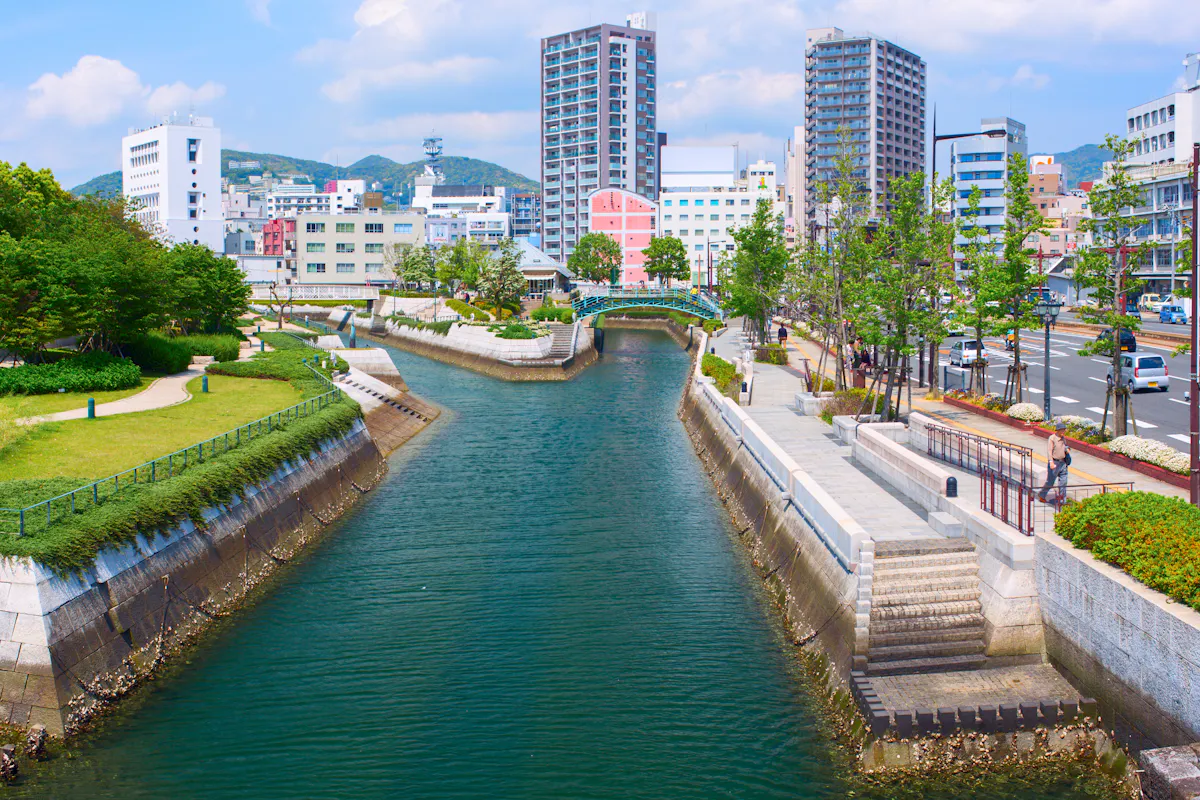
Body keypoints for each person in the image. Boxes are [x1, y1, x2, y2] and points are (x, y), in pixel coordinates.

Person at [1038, 420, 1070, 505]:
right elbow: (1049, 451)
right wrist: (1051, 462)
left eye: (1064, 430)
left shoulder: (1063, 438)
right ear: (1058, 430)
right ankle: (1042, 494)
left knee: (1063, 481)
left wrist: (1067, 450)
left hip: (1063, 463)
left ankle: (1062, 499)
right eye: (1062, 430)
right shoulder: (1052, 438)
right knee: (1050, 482)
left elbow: (1064, 447)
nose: (1063, 431)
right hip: (1055, 463)